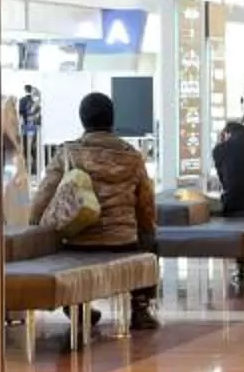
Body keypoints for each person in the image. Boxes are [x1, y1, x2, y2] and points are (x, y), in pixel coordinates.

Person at [34, 92, 159, 333]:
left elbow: (44, 196)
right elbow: (146, 205)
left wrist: (35, 225)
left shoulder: (68, 152)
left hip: (78, 242)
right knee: (151, 242)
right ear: (112, 119)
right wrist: (147, 233)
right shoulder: (132, 156)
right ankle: (141, 308)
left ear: (83, 120)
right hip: (122, 242)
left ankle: (76, 306)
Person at [17, 85, 44, 177]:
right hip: (35, 128)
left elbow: (20, 116)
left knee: (26, 149)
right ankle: (34, 170)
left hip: (26, 127)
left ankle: (27, 170)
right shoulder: (36, 100)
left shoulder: (22, 100)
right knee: (34, 148)